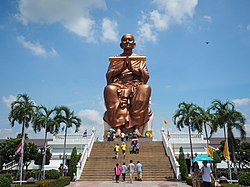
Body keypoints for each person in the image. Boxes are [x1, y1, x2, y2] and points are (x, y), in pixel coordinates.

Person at [103, 34, 152, 137]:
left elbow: (146, 76)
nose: (127, 42)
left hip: (135, 84)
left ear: (134, 44)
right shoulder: (116, 59)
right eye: (125, 40)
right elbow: (108, 76)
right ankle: (118, 128)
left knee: (145, 88)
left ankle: (136, 128)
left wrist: (132, 69)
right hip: (119, 84)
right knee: (109, 89)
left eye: (130, 40)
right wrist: (121, 68)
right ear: (121, 44)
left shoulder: (139, 59)